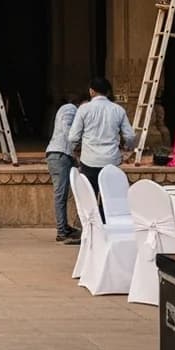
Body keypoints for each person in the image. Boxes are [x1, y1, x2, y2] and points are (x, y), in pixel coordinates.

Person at [67, 77, 135, 223]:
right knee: (109, 199)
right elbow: (130, 136)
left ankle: (88, 232)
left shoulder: (84, 109)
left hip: (89, 161)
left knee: (89, 199)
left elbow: (73, 137)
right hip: (111, 161)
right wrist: (127, 150)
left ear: (91, 91)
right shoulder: (118, 110)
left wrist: (75, 151)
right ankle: (108, 229)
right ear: (108, 92)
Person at [44, 92, 86, 244]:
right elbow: (68, 131)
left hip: (65, 156)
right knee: (60, 194)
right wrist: (79, 142)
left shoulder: (73, 110)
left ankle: (66, 227)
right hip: (59, 154)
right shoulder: (70, 109)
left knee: (66, 193)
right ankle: (62, 231)